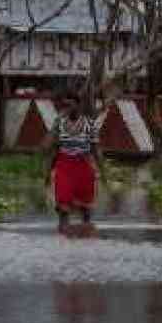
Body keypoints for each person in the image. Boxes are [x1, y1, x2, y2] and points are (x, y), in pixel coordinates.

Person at [48, 91, 104, 236]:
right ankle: (63, 235)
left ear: (78, 105)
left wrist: (101, 169)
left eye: (70, 104)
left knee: (85, 206)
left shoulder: (90, 125)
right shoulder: (59, 123)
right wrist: (49, 171)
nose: (67, 108)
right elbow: (55, 148)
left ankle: (85, 235)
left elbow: (95, 149)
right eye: (65, 105)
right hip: (64, 164)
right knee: (63, 202)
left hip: (83, 165)